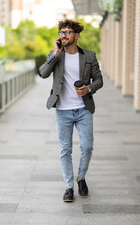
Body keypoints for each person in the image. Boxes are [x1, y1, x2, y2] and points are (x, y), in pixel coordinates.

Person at [39, 19, 103, 202]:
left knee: (87, 147)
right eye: (61, 32)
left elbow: (99, 80)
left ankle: (81, 177)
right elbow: (42, 73)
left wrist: (88, 88)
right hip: (63, 110)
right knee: (65, 149)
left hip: (83, 108)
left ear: (77, 35)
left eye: (67, 32)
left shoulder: (89, 56)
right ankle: (69, 186)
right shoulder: (56, 54)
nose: (63, 35)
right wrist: (55, 54)